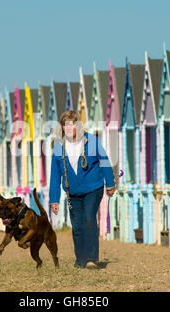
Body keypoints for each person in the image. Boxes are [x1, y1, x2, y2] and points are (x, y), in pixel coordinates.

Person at [48, 111, 117, 269]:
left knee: (88, 219)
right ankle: (81, 260)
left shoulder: (90, 141)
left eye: (71, 124)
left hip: (93, 188)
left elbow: (104, 160)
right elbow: (55, 174)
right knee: (77, 226)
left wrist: (111, 184)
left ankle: (92, 258)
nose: (68, 127)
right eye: (65, 124)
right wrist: (54, 199)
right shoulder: (59, 146)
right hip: (73, 193)